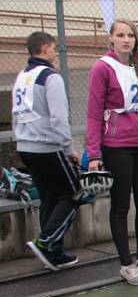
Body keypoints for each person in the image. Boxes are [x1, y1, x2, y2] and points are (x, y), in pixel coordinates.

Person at [86, 19, 138, 285]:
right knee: (120, 205)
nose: (126, 39)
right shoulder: (102, 68)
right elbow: (94, 112)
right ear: (111, 38)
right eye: (120, 35)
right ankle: (126, 263)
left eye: (130, 35)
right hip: (118, 146)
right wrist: (94, 153)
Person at [12, 31, 80, 271]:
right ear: (44, 48)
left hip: (25, 145)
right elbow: (59, 116)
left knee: (50, 197)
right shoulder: (50, 77)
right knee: (74, 193)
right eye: (53, 47)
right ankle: (47, 241)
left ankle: (54, 252)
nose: (56, 51)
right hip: (47, 146)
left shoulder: (23, 76)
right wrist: (68, 148)